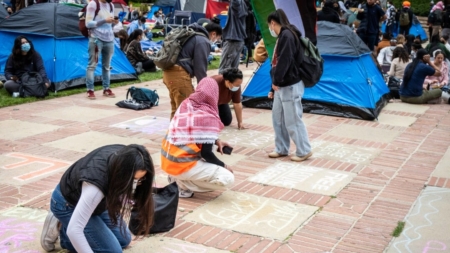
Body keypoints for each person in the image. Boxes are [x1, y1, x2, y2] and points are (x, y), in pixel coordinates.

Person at [40, 144, 155, 252]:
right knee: (112, 251)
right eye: (132, 180)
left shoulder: (126, 156)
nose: (134, 185)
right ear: (123, 173)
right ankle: (60, 225)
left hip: (98, 203)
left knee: (123, 240)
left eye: (139, 180)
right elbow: (74, 230)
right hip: (67, 204)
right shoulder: (95, 186)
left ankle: (72, 223)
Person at [161, 77, 235, 198]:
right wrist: (224, 166)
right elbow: (206, 153)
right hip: (182, 164)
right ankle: (181, 184)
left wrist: (216, 141)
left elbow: (193, 132)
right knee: (227, 177)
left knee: (205, 165)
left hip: (168, 160)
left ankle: (177, 178)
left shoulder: (186, 104)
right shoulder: (207, 114)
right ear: (215, 94)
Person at [266, 9, 312, 162]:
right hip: (281, 84)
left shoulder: (287, 35)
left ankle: (303, 150)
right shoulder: (284, 35)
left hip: (289, 84)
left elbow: (284, 61)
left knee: (293, 119)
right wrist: (274, 85)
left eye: (270, 26)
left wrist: (276, 81)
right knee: (277, 118)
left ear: (273, 23)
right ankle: (281, 148)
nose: (270, 29)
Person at [163, 23, 210, 120]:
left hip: (168, 73)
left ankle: (172, 134)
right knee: (186, 110)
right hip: (178, 75)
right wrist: (203, 88)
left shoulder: (188, 35)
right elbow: (200, 67)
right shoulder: (202, 40)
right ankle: (180, 134)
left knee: (177, 110)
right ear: (213, 33)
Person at [84, 0, 116, 100]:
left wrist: (114, 22)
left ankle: (106, 88)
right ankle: (90, 90)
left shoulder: (111, 5)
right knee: (92, 65)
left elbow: (110, 23)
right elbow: (88, 23)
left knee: (107, 66)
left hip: (109, 39)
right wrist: (104, 20)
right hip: (96, 38)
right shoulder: (93, 4)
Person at [218, 0, 247, 74]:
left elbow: (235, 2)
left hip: (233, 40)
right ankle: (231, 85)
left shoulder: (237, 3)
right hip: (238, 40)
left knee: (224, 70)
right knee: (233, 72)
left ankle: (222, 85)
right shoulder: (242, 3)